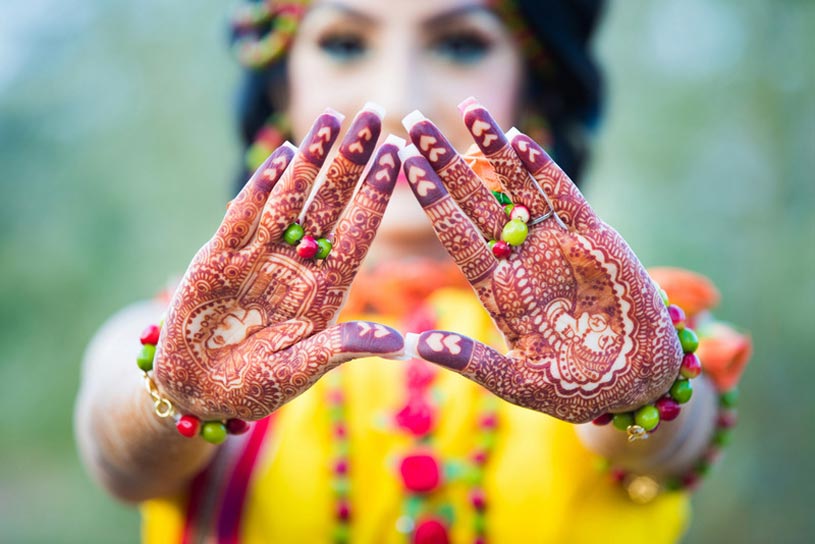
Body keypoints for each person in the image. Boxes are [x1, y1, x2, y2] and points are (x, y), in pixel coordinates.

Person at [75, 1, 752, 542]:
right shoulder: (200, 334)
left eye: (459, 43)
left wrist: (629, 396)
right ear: (283, 78)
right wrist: (177, 398)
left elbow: (669, 443)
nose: (398, 99)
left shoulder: (631, 324)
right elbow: (118, 450)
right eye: (344, 42)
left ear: (533, 78)